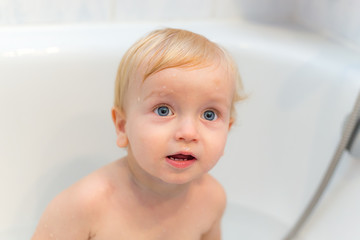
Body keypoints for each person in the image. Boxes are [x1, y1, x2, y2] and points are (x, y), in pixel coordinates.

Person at [31, 27, 246, 240]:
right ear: (123, 126)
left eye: (209, 115)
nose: (188, 133)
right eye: (163, 110)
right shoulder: (82, 206)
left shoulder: (211, 199)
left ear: (227, 130)